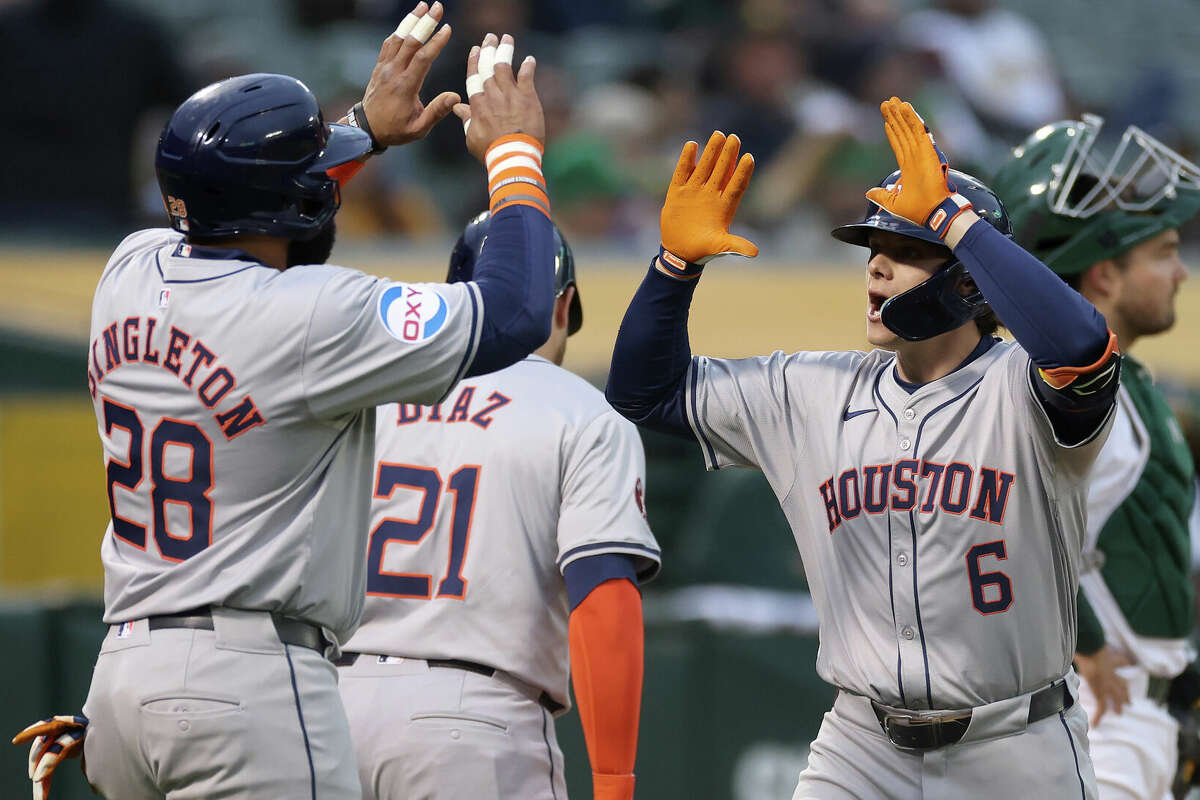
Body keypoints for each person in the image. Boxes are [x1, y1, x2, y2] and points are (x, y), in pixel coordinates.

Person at [13, 5, 558, 798]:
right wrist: (514, 155)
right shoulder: (311, 315)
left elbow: (248, 199)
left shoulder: (129, 268)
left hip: (123, 680)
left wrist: (362, 129)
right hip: (249, 684)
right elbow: (514, 312)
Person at [606, 97, 1121, 798]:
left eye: (907, 254)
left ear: (968, 280)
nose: (876, 269)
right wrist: (672, 269)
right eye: (874, 250)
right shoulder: (810, 390)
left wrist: (954, 221)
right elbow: (646, 393)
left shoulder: (1024, 392)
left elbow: (1083, 347)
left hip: (1016, 747)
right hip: (862, 744)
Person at [335, 210, 660, 800]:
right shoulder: (581, 412)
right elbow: (603, 594)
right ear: (562, 306)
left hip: (330, 710)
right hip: (474, 722)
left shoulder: (367, 392)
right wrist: (613, 781)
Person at [993, 114, 1200, 800]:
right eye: (1165, 251)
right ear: (1105, 274)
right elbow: (997, 519)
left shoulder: (1129, 381)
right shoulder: (1048, 382)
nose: (1180, 272)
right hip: (1089, 706)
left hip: (1130, 702)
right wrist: (1082, 636)